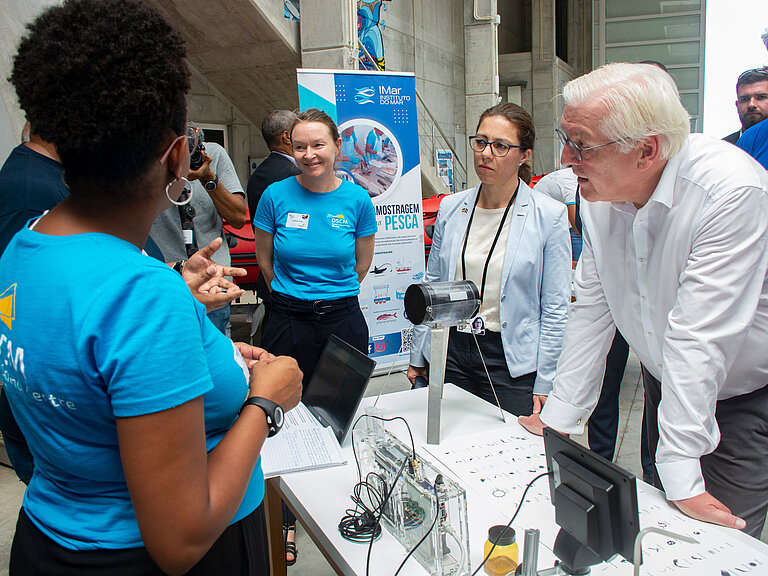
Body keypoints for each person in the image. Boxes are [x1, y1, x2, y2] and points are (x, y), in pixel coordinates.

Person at [2, 2, 302, 575]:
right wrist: (266, 403)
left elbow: (88, 354)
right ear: (177, 156)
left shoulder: (28, 244)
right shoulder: (140, 295)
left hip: (48, 541)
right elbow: (180, 537)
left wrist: (182, 308)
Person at [520, 62, 768, 538]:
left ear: (646, 150)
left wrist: (682, 469)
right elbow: (591, 309)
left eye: (582, 144)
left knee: (717, 541)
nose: (566, 158)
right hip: (664, 382)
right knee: (655, 523)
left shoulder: (729, 191)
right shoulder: (597, 195)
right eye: (565, 137)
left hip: (735, 396)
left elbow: (699, 336)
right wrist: (558, 419)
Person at [253, 107, 377, 565]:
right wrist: (295, 298)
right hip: (288, 320)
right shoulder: (275, 195)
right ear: (291, 148)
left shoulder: (357, 201)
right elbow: (266, 261)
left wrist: (331, 295)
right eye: (300, 146)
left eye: (318, 145)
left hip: (342, 320)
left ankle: (337, 503)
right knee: (281, 419)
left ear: (336, 148)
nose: (309, 154)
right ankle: (283, 520)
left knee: (337, 417)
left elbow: (360, 264)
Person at [408, 103, 571, 417]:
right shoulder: (452, 207)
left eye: (500, 146)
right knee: (449, 446)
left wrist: (547, 380)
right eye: (481, 142)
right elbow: (433, 285)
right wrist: (418, 353)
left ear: (525, 155)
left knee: (510, 448)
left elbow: (555, 307)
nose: (485, 153)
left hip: (509, 358)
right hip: (451, 349)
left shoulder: (548, 215)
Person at [151, 126, 248, 335]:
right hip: (164, 284)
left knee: (217, 356)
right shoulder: (146, 160)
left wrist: (208, 178)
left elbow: (238, 217)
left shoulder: (214, 154)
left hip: (213, 284)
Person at [246, 110, 302, 328]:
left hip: (272, 281)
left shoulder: (258, 175)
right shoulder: (293, 175)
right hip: (293, 284)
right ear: (287, 137)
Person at [723, 66, 768, 144]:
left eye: (761, 97)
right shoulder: (721, 149)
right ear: (737, 106)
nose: (751, 104)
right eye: (744, 99)